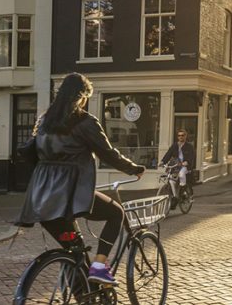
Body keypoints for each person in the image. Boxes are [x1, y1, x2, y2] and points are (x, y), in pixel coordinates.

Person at [15, 73, 146, 285]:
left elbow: (31, 153)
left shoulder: (45, 121)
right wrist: (133, 169)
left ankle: (85, 293)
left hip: (40, 199)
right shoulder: (84, 121)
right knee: (116, 213)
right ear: (82, 96)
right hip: (70, 195)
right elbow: (107, 153)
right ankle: (99, 267)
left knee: (74, 253)